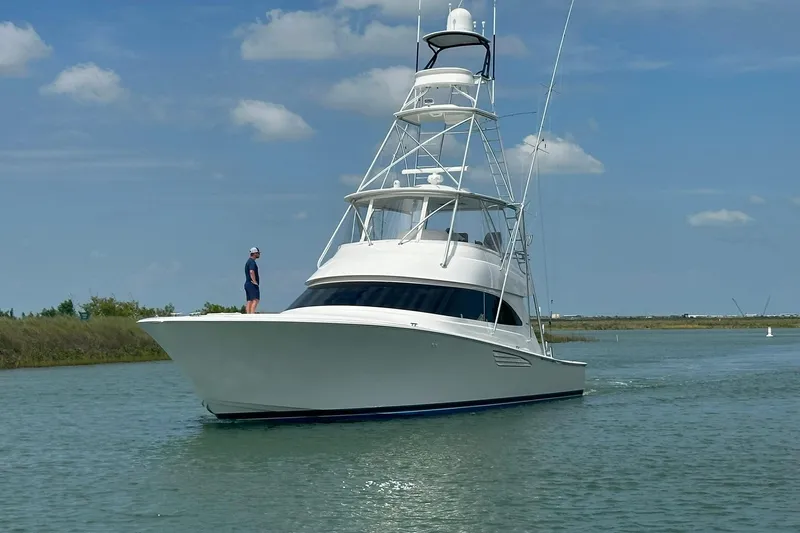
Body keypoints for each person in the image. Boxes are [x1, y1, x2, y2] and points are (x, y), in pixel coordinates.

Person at [244, 246, 261, 313]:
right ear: (254, 253)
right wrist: (255, 281)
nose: (259, 254)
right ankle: (252, 314)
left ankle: (248, 315)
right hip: (251, 284)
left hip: (247, 283)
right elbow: (251, 271)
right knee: (255, 299)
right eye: (258, 253)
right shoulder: (252, 262)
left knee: (249, 300)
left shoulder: (248, 261)